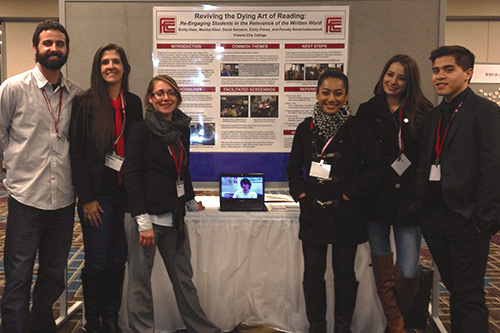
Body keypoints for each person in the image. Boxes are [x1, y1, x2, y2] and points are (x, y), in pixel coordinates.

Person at [0, 20, 82, 332]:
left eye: (59, 44)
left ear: (67, 50)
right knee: (18, 276)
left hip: (62, 200)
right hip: (25, 199)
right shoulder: (13, 88)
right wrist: (14, 167)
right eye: (47, 43)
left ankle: (40, 323)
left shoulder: (75, 94)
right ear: (36, 48)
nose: (53, 49)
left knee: (53, 273)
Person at [123, 75, 222, 333]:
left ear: (177, 97)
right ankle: (143, 330)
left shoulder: (181, 129)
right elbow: (131, 176)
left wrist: (189, 201)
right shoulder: (140, 130)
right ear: (150, 98)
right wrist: (142, 220)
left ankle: (201, 328)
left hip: (174, 217)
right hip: (147, 221)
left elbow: (182, 170)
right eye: (159, 93)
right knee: (140, 283)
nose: (165, 98)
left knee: (183, 279)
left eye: (170, 93)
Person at [286, 70, 383, 333]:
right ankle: (316, 326)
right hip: (313, 212)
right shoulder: (305, 128)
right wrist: (301, 194)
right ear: (317, 94)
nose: (331, 98)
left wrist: (351, 193)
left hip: (347, 212)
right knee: (313, 275)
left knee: (345, 276)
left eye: (338, 93)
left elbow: (376, 167)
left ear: (346, 95)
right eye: (326, 92)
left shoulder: (357, 127)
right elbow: (293, 168)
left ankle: (343, 327)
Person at [414, 45, 500, 333]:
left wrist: (482, 220)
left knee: (469, 295)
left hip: (468, 220)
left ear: (468, 74)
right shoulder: (435, 116)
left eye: (448, 69)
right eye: (436, 70)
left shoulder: (486, 112)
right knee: (454, 290)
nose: (439, 76)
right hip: (436, 217)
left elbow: (493, 168)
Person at [356, 55, 433, 332]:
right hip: (377, 196)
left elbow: (428, 158)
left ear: (410, 81)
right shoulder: (368, 109)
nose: (393, 81)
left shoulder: (424, 110)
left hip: (410, 199)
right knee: (382, 264)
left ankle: (394, 322)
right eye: (390, 74)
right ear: (383, 74)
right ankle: (397, 325)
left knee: (410, 269)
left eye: (401, 77)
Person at [69, 43, 143, 332]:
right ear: (98, 69)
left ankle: (111, 318)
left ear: (124, 67)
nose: (110, 66)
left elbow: (137, 151)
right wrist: (86, 198)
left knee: (117, 259)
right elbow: (76, 154)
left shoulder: (134, 102)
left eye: (115, 61)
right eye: (104, 62)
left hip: (125, 195)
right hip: (97, 196)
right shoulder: (85, 103)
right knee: (97, 260)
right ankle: (93, 320)